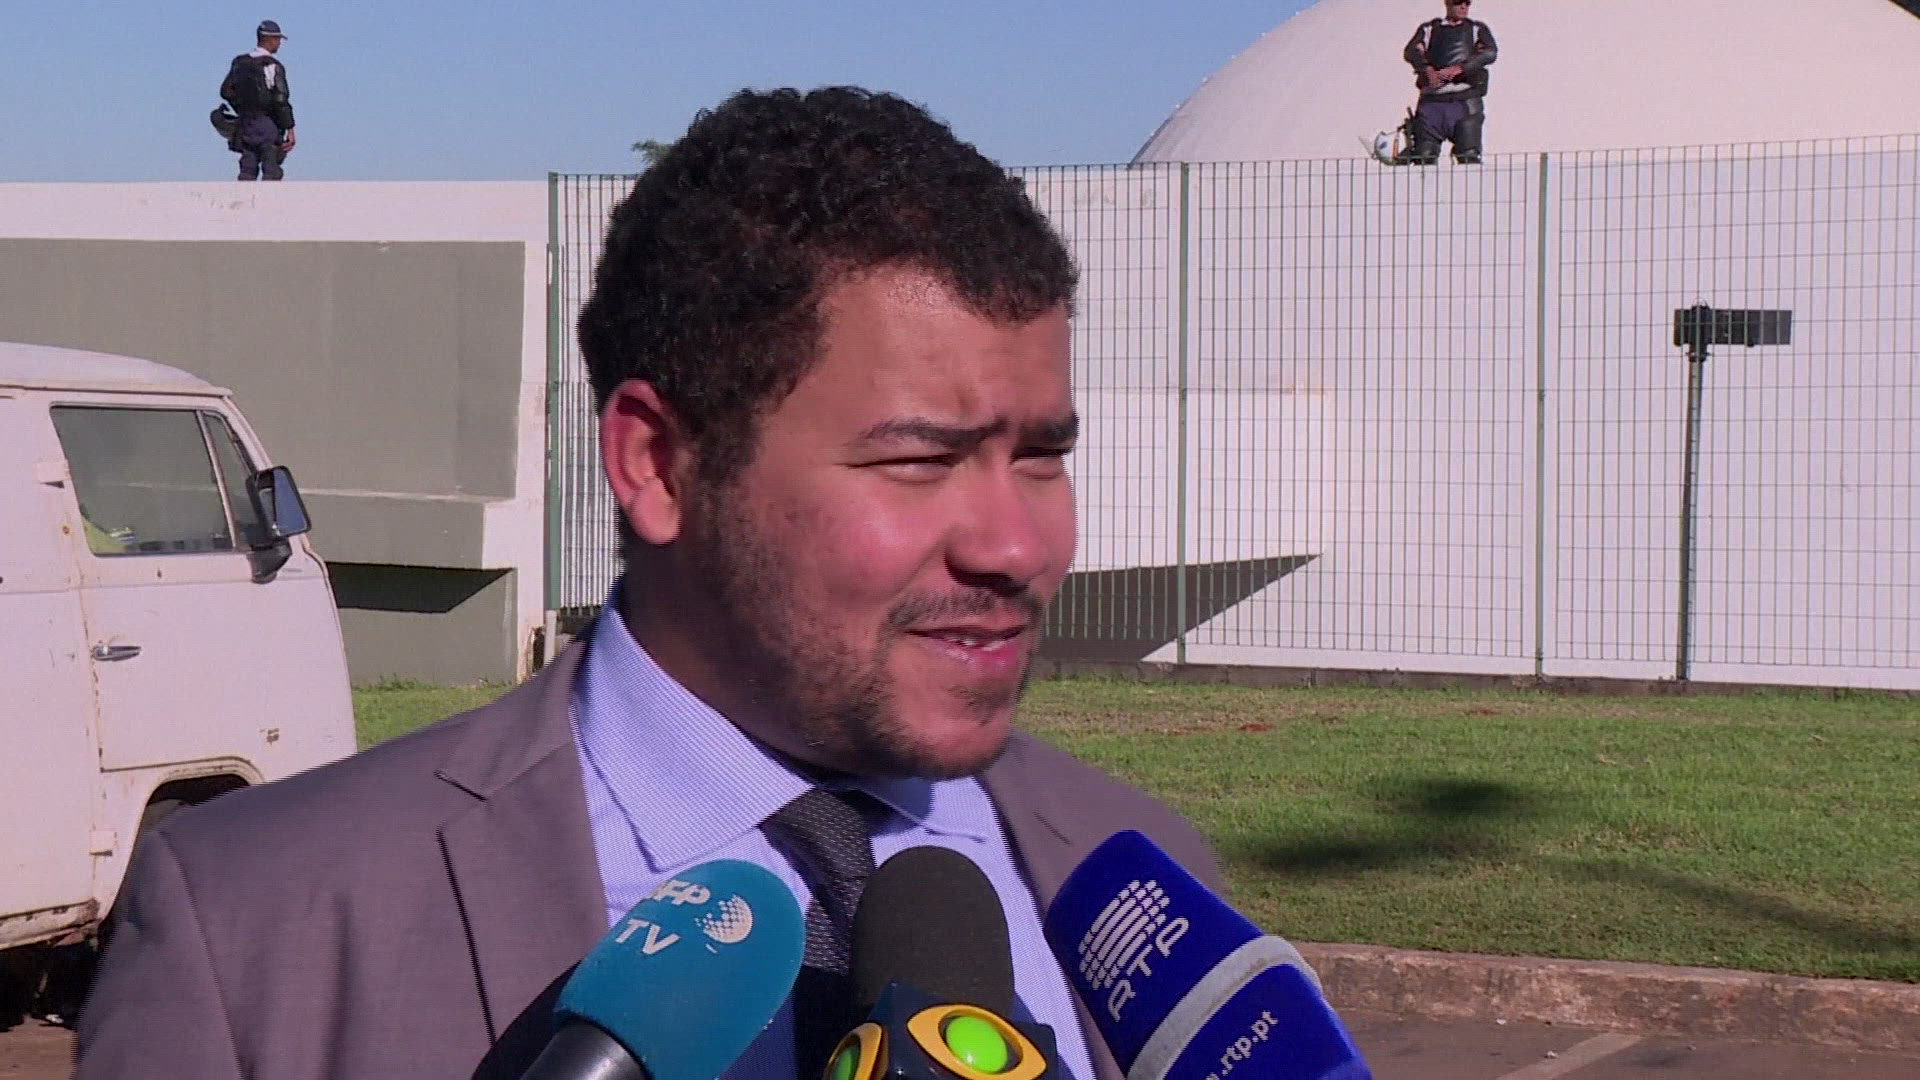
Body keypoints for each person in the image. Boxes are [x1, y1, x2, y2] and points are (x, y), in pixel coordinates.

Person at [75, 87, 1227, 1080]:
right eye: (921, 460)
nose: (1015, 547)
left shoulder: (1145, 879)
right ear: (660, 464)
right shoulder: (257, 927)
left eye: (1042, 456)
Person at [1399, 0, 1498, 165]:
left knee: (1469, 156)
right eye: (1458, 2)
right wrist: (1427, 70)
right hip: (1432, 104)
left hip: (1464, 102)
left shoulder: (1476, 29)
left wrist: (1460, 69)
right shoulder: (1429, 29)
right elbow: (1412, 51)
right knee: (1423, 157)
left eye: (1467, 3)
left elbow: (1489, 52)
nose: (1463, 6)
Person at [220, 19, 297, 180]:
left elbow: (226, 92)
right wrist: (289, 127)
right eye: (278, 39)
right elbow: (281, 99)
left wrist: (241, 108)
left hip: (245, 124)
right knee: (271, 168)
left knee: (247, 168)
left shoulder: (239, 63)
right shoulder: (273, 66)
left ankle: (245, 196)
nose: (279, 44)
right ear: (271, 39)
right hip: (268, 124)